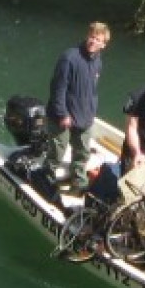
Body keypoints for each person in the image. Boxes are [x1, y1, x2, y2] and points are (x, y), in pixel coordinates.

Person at [45, 21, 108, 189]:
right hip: (63, 117)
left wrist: (91, 111)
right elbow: (58, 88)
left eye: (98, 39)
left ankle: (79, 183)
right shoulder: (69, 57)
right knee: (57, 152)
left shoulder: (97, 62)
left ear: (103, 44)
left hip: (84, 117)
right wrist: (62, 114)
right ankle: (46, 178)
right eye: (91, 37)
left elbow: (91, 89)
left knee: (82, 152)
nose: (93, 41)